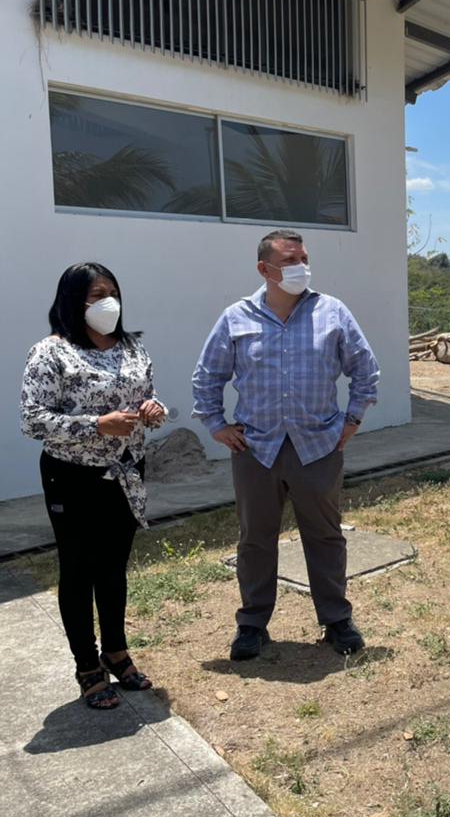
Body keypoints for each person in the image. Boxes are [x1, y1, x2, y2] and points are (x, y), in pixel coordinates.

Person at [192, 230, 379, 662]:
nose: (301, 267)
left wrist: (352, 419)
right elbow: (207, 376)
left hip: (318, 446)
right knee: (255, 539)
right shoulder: (236, 317)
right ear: (265, 269)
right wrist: (217, 425)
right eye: (291, 260)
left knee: (325, 536)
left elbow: (365, 369)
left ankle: (336, 619)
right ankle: (252, 624)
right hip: (256, 449)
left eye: (304, 258)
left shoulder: (332, 312)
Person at [20, 264, 166, 709]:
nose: (108, 302)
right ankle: (87, 667)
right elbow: (33, 420)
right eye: (96, 295)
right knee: (79, 570)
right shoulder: (51, 353)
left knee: (113, 567)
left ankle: (116, 652)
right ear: (72, 300)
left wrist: (151, 409)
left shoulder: (132, 347)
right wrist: (96, 425)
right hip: (73, 476)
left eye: (113, 292)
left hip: (125, 471)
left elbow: (144, 394)